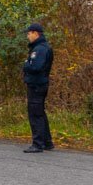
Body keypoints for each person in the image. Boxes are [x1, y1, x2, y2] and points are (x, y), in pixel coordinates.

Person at [21, 22, 54, 153]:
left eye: (29, 33)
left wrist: (26, 64)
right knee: (39, 112)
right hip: (40, 83)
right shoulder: (41, 47)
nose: (28, 36)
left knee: (35, 114)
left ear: (35, 33)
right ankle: (46, 142)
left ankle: (38, 143)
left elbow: (35, 66)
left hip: (36, 84)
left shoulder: (40, 49)